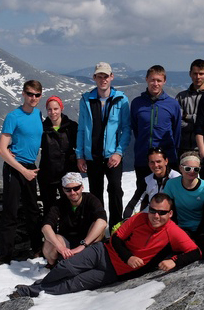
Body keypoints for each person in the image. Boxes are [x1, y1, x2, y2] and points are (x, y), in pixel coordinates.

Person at [10, 193, 201, 297]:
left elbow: (195, 251)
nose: (156, 216)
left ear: (170, 214)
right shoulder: (140, 218)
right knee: (66, 266)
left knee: (72, 285)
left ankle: (33, 291)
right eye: (153, 210)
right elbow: (117, 238)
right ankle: (37, 286)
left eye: (161, 212)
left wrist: (174, 261)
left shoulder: (173, 231)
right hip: (102, 251)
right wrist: (129, 257)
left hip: (114, 272)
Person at [76, 62, 131, 231]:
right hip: (92, 155)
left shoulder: (121, 99)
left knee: (115, 190)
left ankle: (116, 228)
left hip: (112, 155)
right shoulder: (86, 100)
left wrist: (119, 152)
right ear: (94, 78)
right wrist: (80, 155)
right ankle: (98, 229)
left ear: (111, 77)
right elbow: (81, 129)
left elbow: (126, 128)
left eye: (106, 76)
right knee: (95, 194)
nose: (103, 79)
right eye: (99, 76)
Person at [0, 80, 44, 264]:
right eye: (30, 94)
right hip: (15, 169)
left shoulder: (38, 114)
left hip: (30, 167)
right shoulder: (13, 116)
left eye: (37, 95)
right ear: (23, 94)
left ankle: (37, 251)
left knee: (33, 210)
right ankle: (5, 257)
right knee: (11, 212)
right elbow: (1, 149)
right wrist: (23, 171)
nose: (33, 98)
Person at [129, 65, 182, 220]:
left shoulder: (172, 104)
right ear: (146, 80)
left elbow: (176, 131)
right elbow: (135, 128)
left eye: (159, 80)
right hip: (142, 158)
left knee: (168, 196)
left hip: (167, 159)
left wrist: (172, 153)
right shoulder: (137, 103)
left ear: (164, 81)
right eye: (152, 80)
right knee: (144, 193)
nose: (155, 83)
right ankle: (143, 224)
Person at [41, 173, 108, 267]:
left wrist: (83, 245)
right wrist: (60, 247)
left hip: (88, 241)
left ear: (82, 187)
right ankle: (52, 265)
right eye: (68, 190)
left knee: (97, 227)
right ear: (63, 190)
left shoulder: (91, 199)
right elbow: (46, 227)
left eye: (76, 188)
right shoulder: (59, 204)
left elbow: (102, 222)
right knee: (49, 241)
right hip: (66, 243)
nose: (72, 192)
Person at [164, 152, 204, 256]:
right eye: (188, 169)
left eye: (196, 169)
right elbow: (169, 210)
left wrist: (195, 236)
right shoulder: (171, 184)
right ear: (180, 168)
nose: (192, 172)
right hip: (183, 226)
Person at [38, 96, 78, 213]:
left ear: (61, 108)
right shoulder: (42, 128)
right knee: (49, 208)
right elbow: (30, 143)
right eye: (49, 109)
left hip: (67, 172)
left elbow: (81, 146)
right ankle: (50, 230)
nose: (53, 112)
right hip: (47, 173)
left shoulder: (71, 127)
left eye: (55, 109)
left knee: (69, 206)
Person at [123, 147, 180, 219]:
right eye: (152, 162)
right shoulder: (147, 180)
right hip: (153, 215)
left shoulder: (176, 178)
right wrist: (126, 220)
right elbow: (134, 202)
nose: (155, 165)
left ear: (166, 161)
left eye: (159, 161)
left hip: (172, 217)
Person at [176, 59, 204, 154]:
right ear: (190, 74)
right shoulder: (181, 97)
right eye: (195, 73)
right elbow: (177, 121)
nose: (198, 77)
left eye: (201, 74)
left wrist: (187, 117)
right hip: (184, 147)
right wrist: (199, 123)